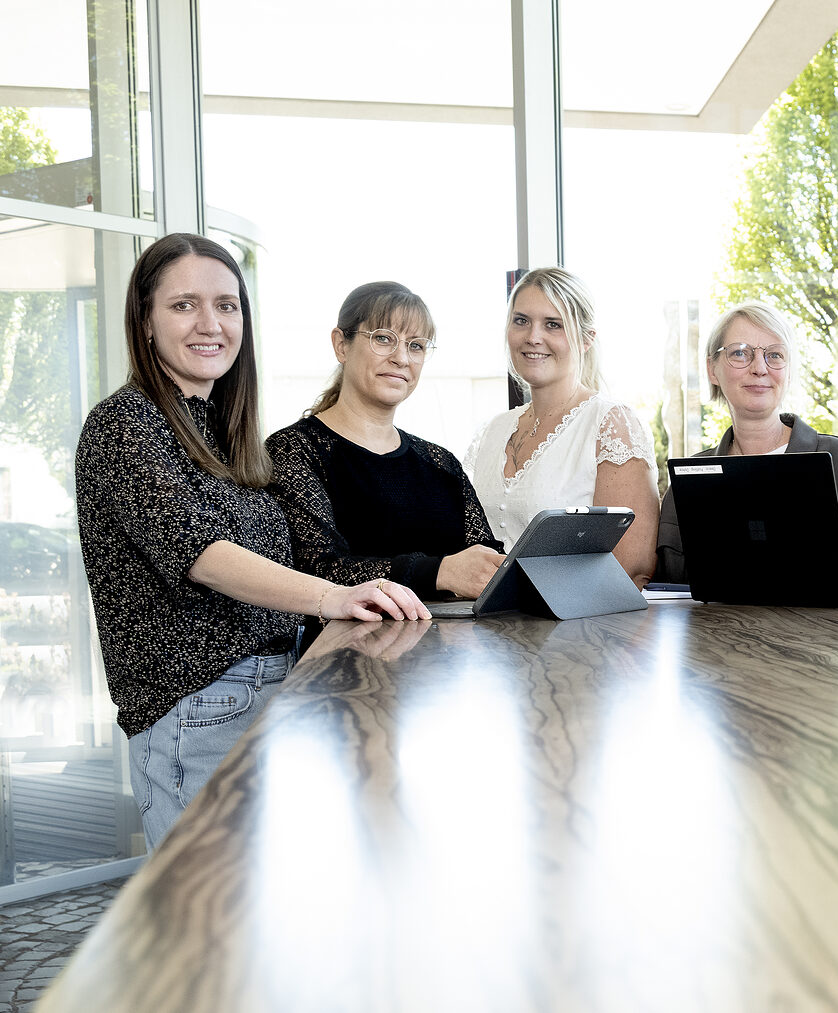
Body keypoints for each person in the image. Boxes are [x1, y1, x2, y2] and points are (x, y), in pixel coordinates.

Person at [75, 234, 429, 850]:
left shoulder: (224, 432)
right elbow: (203, 554)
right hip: (199, 710)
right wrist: (333, 598)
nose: (211, 324)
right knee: (207, 907)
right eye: (184, 305)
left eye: (227, 305)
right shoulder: (125, 423)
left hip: (270, 691)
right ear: (145, 321)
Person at [266, 282, 505, 618]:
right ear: (341, 345)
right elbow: (316, 569)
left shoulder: (441, 464)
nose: (401, 358)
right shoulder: (293, 450)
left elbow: (485, 563)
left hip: (451, 646)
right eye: (383, 338)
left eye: (416, 345)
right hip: (345, 647)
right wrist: (440, 572)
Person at [467, 267, 659, 585]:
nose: (533, 337)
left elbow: (631, 568)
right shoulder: (491, 431)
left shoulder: (610, 424)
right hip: (480, 615)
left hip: (576, 616)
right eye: (521, 320)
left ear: (586, 339)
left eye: (553, 324)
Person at [654, 302, 838, 583]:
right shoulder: (688, 480)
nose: (759, 368)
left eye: (774, 355)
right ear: (712, 369)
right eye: (740, 353)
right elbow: (669, 584)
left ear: (788, 370)